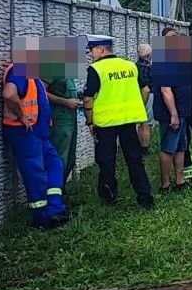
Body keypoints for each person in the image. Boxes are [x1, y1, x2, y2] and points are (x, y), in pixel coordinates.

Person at [83, 35, 153, 209]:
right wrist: (139, 107)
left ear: (101, 49)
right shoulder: (130, 65)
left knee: (106, 160)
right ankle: (145, 197)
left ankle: (109, 198)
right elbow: (145, 89)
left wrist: (90, 121)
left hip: (105, 123)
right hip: (128, 120)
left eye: (92, 51)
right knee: (134, 159)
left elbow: (88, 99)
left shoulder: (96, 69)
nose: (91, 55)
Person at [2, 58, 69, 229]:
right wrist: (21, 115)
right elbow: (9, 94)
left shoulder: (32, 75)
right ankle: (42, 218)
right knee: (35, 174)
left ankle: (55, 208)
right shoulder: (20, 70)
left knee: (55, 164)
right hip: (24, 132)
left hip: (38, 133)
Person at [156, 27, 192, 193]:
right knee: (168, 148)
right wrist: (174, 114)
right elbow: (165, 89)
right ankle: (165, 184)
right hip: (171, 113)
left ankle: (180, 180)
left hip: (182, 111)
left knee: (180, 147)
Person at [44, 64, 81, 186]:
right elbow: (41, 92)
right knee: (59, 158)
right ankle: (53, 195)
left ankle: (60, 190)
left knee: (70, 158)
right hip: (59, 118)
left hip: (70, 117)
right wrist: (65, 102)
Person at [136, 41, 155, 152]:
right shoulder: (151, 68)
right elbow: (149, 87)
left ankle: (139, 144)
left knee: (140, 123)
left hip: (137, 95)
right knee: (148, 123)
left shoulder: (134, 66)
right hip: (149, 95)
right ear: (149, 55)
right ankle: (145, 147)